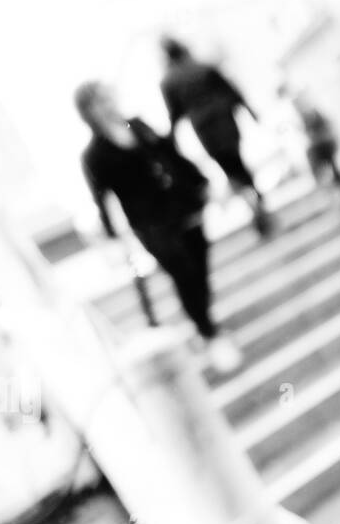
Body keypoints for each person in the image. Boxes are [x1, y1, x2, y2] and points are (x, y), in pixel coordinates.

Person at [74, 81, 243, 374]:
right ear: (88, 112)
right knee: (183, 271)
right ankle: (209, 332)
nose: (107, 105)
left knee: (199, 269)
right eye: (98, 103)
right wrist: (114, 239)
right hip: (151, 224)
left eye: (107, 97)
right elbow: (101, 198)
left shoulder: (136, 126)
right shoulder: (95, 154)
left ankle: (202, 322)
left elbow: (172, 155)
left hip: (185, 206)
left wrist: (204, 184)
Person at [158, 37, 272, 236]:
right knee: (236, 160)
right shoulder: (203, 66)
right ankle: (253, 195)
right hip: (225, 119)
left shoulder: (169, 81)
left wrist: (171, 141)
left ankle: (250, 196)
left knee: (228, 165)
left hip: (205, 128)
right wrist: (250, 111)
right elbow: (231, 90)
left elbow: (174, 113)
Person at [283, 85, 340, 203]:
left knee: (330, 169)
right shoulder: (305, 114)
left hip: (322, 145)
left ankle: (339, 191)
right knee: (328, 170)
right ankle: (338, 191)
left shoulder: (312, 113)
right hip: (320, 146)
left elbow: (325, 127)